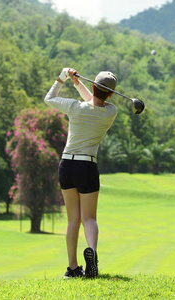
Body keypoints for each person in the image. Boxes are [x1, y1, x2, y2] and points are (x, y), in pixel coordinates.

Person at [44, 68, 118, 279]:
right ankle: (92, 253)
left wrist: (63, 77)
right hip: (88, 166)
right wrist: (77, 83)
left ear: (93, 86)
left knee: (72, 220)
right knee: (89, 218)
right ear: (111, 94)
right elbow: (95, 101)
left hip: (67, 165)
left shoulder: (74, 107)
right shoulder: (110, 112)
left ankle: (73, 268)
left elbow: (49, 98)